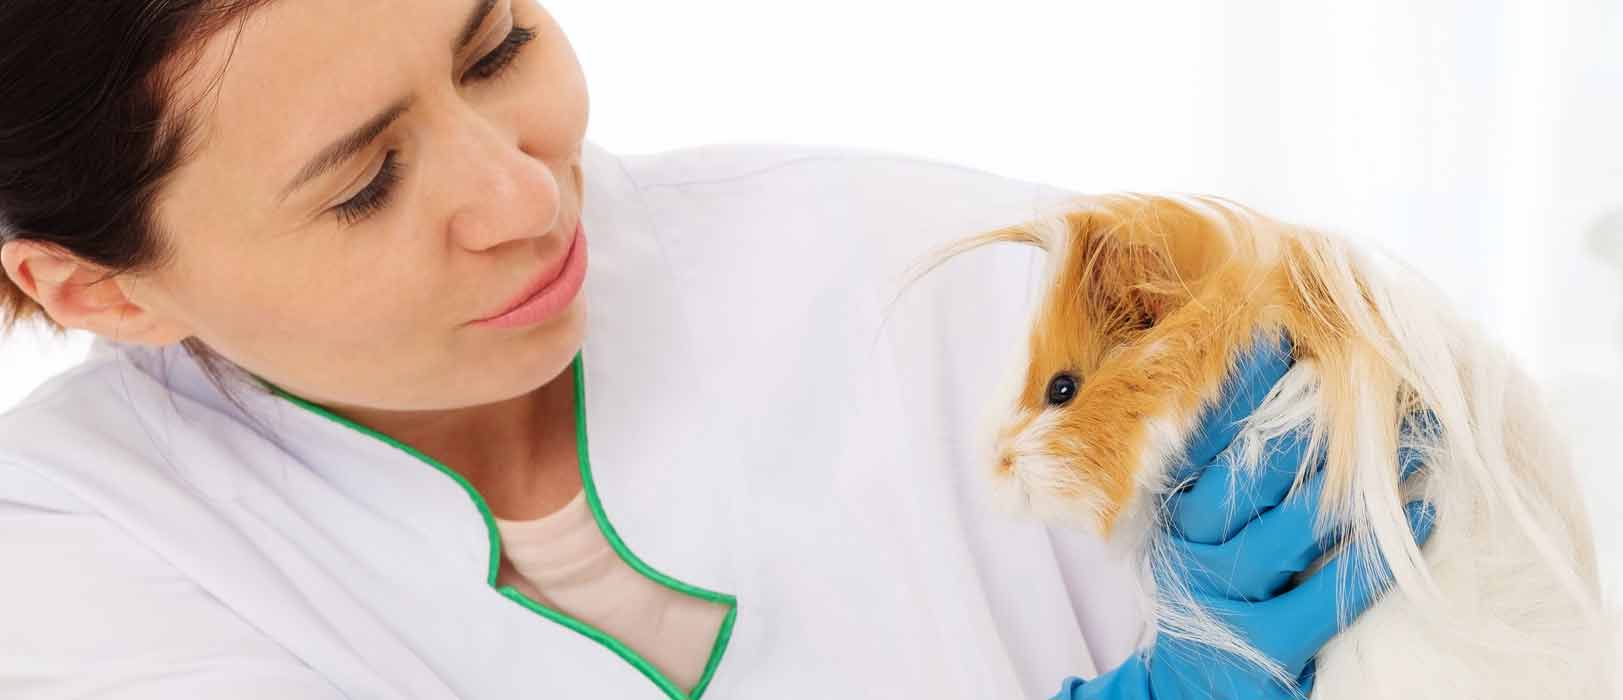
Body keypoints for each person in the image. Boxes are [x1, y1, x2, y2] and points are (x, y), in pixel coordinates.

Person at [0, 2, 1428, 698]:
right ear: (97, 292)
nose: (523, 194)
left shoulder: (920, 270)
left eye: (495, 47)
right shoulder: (80, 549)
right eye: (365, 183)